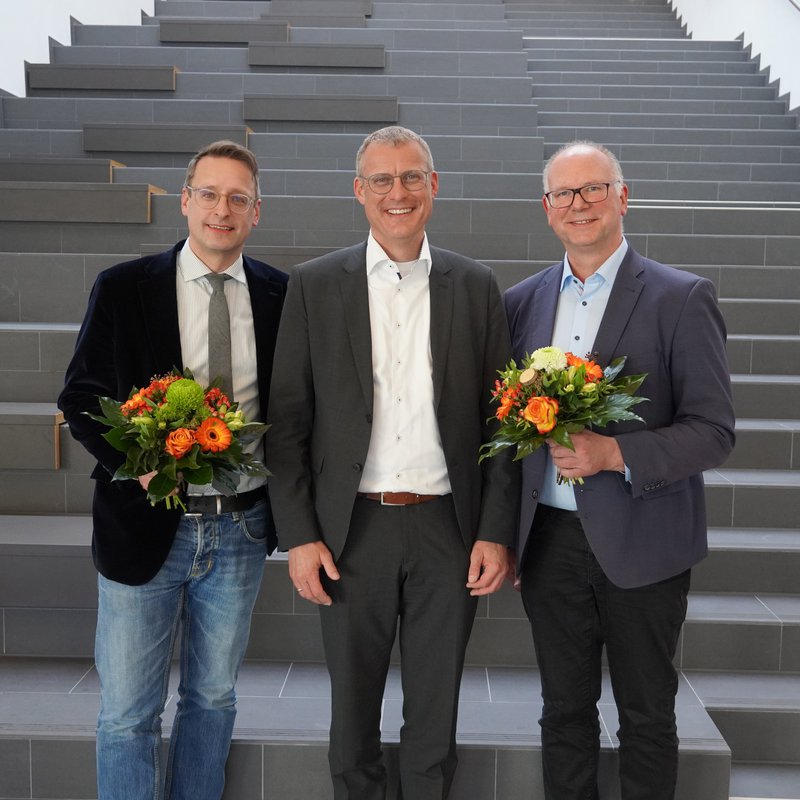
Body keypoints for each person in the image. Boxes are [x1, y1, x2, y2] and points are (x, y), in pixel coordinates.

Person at [267, 125, 519, 800]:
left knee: (436, 716)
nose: (397, 191)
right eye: (382, 179)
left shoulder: (475, 285)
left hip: (448, 530)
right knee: (352, 717)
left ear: (433, 185)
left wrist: (495, 530)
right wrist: (299, 536)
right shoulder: (315, 285)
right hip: (351, 533)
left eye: (411, 177)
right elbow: (287, 423)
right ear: (360, 191)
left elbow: (502, 422)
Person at [503, 141, 736, 800]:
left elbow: (714, 430)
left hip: (645, 539)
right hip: (549, 544)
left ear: (622, 197)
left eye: (594, 188)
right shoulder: (521, 302)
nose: (579, 204)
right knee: (563, 713)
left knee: (647, 716)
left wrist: (617, 455)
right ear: (547, 207)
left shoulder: (681, 297)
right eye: (564, 193)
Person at [57, 140, 288, 800]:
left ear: (256, 211)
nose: (222, 209)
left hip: (240, 529)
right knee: (128, 712)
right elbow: (80, 396)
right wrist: (140, 465)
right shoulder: (124, 287)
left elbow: (297, 408)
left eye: (238, 198)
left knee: (212, 700)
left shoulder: (282, 294)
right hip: (145, 522)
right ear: (185, 202)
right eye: (209, 194)